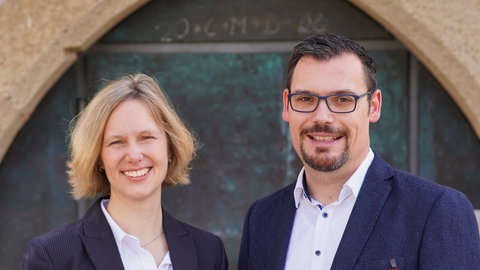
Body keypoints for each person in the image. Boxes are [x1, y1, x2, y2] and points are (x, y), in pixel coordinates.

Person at [238, 33, 480, 269]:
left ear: (373, 107)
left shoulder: (437, 210)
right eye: (305, 99)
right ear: (286, 106)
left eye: (342, 99)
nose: (322, 117)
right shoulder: (261, 219)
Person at [21, 73, 228, 269]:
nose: (134, 155)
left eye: (146, 137)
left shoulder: (208, 253)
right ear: (99, 158)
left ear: (170, 149)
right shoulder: (53, 256)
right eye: (117, 142)